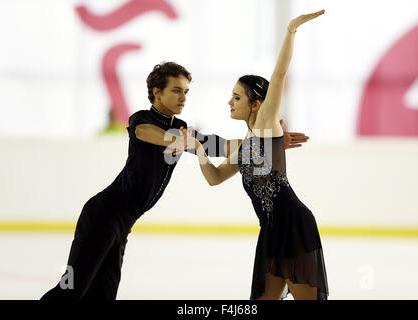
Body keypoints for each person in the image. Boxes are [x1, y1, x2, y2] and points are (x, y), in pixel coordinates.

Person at [41, 62, 309, 300]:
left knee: (104, 294)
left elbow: (221, 145)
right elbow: (145, 133)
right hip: (102, 214)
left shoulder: (181, 127)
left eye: (186, 91)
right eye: (176, 90)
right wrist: (178, 140)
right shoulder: (143, 119)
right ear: (157, 92)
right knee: (71, 290)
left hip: (122, 223)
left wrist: (269, 143)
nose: (183, 97)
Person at [185, 11, 329, 300]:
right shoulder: (245, 146)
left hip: (294, 225)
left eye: (237, 97)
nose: (230, 101)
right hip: (270, 232)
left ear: (257, 105)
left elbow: (278, 75)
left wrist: (290, 31)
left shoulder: (266, 126)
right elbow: (214, 178)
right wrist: (198, 150)